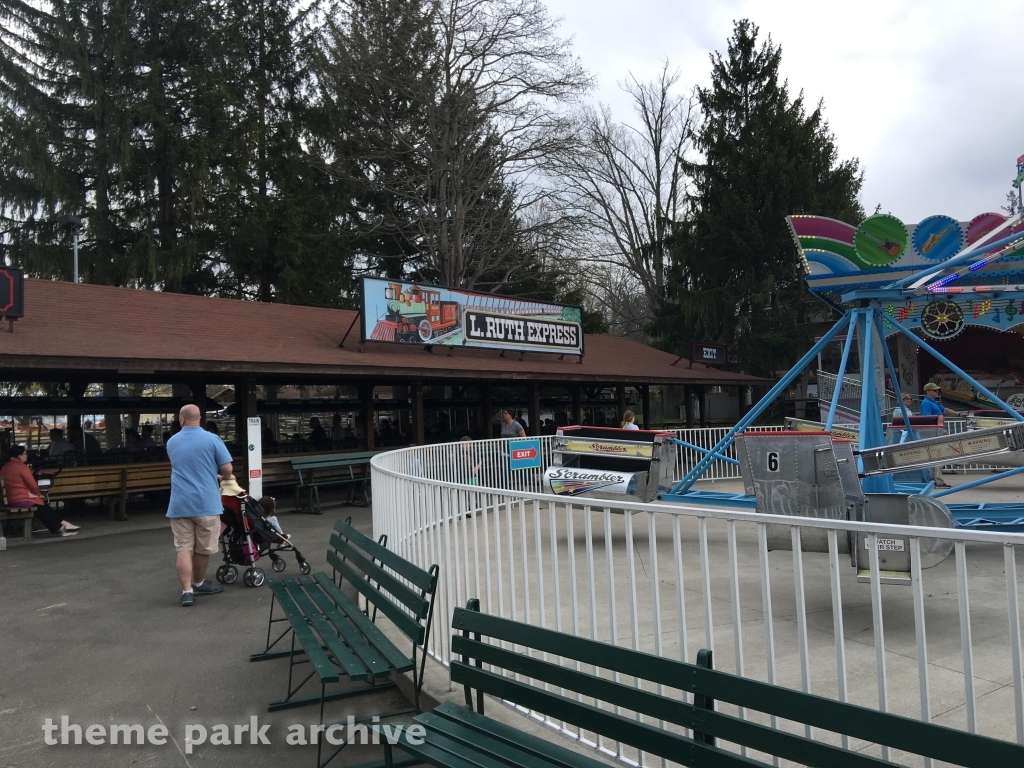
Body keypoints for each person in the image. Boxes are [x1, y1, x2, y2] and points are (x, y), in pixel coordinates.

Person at [166, 404, 233, 607]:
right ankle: (199, 583)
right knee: (203, 548)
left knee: (183, 548)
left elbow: (186, 466)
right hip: (206, 503)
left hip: (180, 503)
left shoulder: (171, 441)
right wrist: (224, 477)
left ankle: (187, 592)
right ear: (200, 418)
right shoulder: (212, 439)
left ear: (181, 419)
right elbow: (227, 467)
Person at [0, 445, 80, 536]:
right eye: (25, 454)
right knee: (42, 507)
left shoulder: (4, 467)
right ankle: (60, 528)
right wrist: (38, 494)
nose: (27, 456)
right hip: (21, 500)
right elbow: (33, 485)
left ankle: (64, 524)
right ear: (19, 455)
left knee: (42, 506)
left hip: (11, 500)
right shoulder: (22, 467)